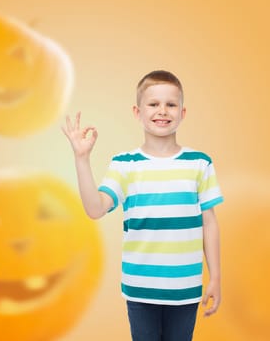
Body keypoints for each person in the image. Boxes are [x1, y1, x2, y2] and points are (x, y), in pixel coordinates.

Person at [61, 70, 223, 341]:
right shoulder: (124, 165)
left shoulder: (199, 163)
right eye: (154, 104)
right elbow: (95, 209)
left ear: (182, 113)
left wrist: (216, 277)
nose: (163, 111)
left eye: (171, 104)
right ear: (138, 112)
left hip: (185, 288)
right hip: (140, 288)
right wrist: (82, 159)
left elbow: (210, 222)